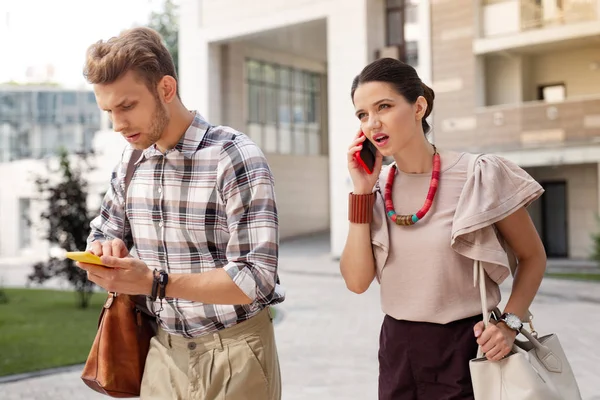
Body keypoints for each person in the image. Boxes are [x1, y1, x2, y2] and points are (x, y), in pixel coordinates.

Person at [77, 27, 283, 400]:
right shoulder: (131, 159)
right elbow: (102, 232)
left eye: (127, 106)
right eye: (108, 111)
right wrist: (105, 254)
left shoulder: (234, 156)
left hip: (236, 354)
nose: (118, 124)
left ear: (166, 89)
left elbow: (256, 278)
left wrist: (155, 283)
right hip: (163, 353)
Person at [340, 58, 547, 400]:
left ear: (418, 106)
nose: (372, 123)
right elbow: (356, 281)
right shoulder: (375, 190)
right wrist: (361, 191)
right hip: (398, 351)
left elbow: (532, 256)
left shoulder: (479, 174)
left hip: (468, 349)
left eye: (384, 106)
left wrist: (510, 323)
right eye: (362, 114)